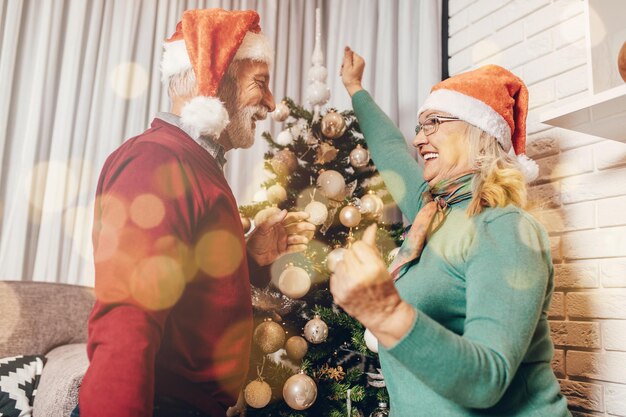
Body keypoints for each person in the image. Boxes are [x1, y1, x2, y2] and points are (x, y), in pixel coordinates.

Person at [76, 9, 315, 417]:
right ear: (216, 77)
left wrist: (249, 258)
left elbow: (191, 293)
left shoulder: (195, 163)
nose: (272, 104)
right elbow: (127, 323)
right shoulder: (157, 162)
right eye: (260, 83)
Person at [330, 47, 571, 416]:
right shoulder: (432, 212)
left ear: (477, 130)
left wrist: (386, 312)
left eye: (433, 123)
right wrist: (354, 86)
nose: (418, 139)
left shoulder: (506, 228)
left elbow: (486, 379)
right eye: (419, 126)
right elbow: (391, 149)